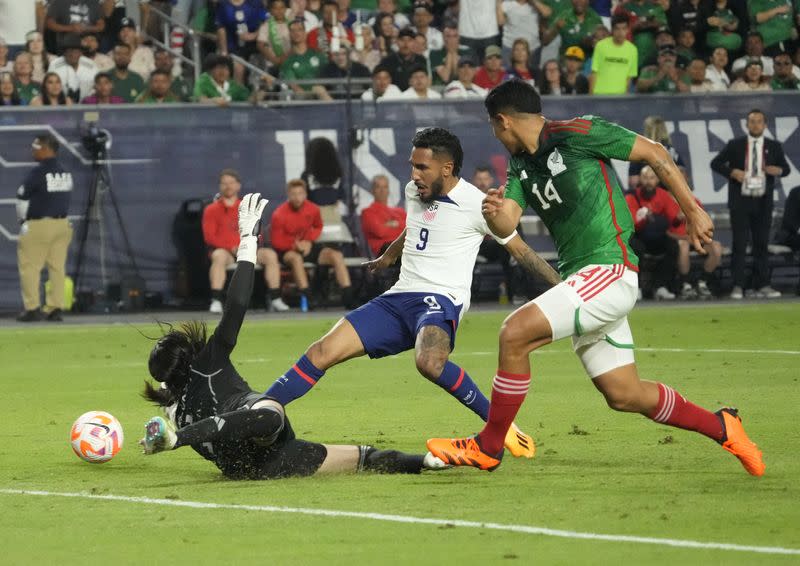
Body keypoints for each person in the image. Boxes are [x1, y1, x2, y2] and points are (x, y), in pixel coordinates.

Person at [427, 80, 766, 478]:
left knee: (513, 333)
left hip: (609, 270)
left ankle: (488, 446)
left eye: (494, 128)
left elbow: (654, 153)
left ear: (503, 121)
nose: (496, 136)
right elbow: (508, 223)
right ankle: (723, 426)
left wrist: (692, 211)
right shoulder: (521, 165)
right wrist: (492, 211)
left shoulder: (578, 132)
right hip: (585, 282)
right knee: (624, 393)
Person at [262, 128, 562, 460]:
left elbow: (520, 251)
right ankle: (261, 409)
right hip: (398, 298)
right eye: (412, 166)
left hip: (441, 299)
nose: (413, 175)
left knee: (429, 362)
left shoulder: (478, 205)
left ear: (446, 169)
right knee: (322, 351)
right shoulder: (414, 191)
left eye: (422, 168)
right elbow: (416, 226)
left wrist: (565, 289)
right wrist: (389, 255)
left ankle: (498, 426)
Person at [139, 194, 448, 478]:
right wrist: (248, 240)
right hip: (267, 443)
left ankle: (425, 461)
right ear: (188, 357)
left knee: (364, 458)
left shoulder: (175, 410)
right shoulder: (205, 363)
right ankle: (179, 441)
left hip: (257, 466)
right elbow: (236, 307)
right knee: (270, 414)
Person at [710, 109, 790, 300]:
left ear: (765, 125)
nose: (755, 125)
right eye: (752, 121)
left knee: (761, 244)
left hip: (763, 202)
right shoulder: (736, 145)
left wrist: (777, 170)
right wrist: (732, 172)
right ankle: (738, 285)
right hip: (741, 202)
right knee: (739, 244)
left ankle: (762, 284)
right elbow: (716, 163)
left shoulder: (774, 146)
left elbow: (785, 169)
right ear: (747, 125)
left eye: (759, 121)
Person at [201, 169, 283, 313]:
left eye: (231, 183)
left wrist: (247, 247)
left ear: (238, 186)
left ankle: (275, 298)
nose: (228, 186)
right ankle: (216, 300)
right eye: (224, 183)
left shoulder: (247, 207)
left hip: (248, 250)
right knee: (218, 256)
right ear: (220, 186)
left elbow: (257, 233)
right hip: (226, 253)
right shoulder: (211, 209)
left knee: (270, 255)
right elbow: (209, 237)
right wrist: (231, 248)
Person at [268, 178, 356, 309]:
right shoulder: (278, 214)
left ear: (305, 194)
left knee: (336, 255)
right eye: (293, 194)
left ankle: (348, 296)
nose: (297, 197)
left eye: (300, 194)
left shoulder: (313, 209)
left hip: (309, 246)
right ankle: (308, 296)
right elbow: (277, 241)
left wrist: (308, 241)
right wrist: (295, 246)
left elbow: (318, 226)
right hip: (288, 251)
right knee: (295, 258)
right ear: (288, 195)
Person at [16, 134, 74, 323]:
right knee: (57, 268)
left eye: (37, 146)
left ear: (47, 148)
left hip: (40, 224)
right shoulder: (64, 171)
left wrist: (23, 221)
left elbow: (22, 194)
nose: (34, 150)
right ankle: (55, 308)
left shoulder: (39, 172)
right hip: (62, 224)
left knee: (30, 267)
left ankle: (32, 308)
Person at [626, 165, 681, 300]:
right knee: (634, 248)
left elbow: (673, 218)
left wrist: (679, 218)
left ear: (657, 180)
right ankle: (636, 288)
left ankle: (661, 287)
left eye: (652, 178)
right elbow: (632, 224)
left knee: (673, 246)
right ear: (640, 179)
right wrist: (644, 218)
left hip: (658, 238)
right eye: (645, 178)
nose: (648, 182)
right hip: (640, 236)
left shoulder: (663, 195)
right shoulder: (632, 197)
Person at [628, 115, 686, 192]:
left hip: (647, 198)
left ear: (647, 130)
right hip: (669, 197)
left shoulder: (640, 151)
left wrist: (647, 178)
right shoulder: (671, 151)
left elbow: (633, 182)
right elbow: (682, 179)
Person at [589, 15, 637, 94]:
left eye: (623, 28)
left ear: (628, 30)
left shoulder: (633, 50)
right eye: (617, 29)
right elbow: (594, 73)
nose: (620, 32)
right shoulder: (600, 46)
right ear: (612, 30)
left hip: (620, 97)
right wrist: (591, 96)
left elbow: (629, 77)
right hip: (600, 95)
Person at [361, 174, 406, 256]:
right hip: (384, 252)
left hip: (403, 247)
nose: (382, 191)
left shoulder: (399, 211)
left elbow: (411, 228)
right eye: (378, 187)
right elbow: (380, 232)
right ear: (372, 190)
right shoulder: (368, 212)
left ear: (388, 190)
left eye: (385, 187)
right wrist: (401, 227)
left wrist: (395, 224)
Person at [279, 19, 325, 99]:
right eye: (292, 31)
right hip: (302, 100)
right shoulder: (287, 61)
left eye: (299, 30)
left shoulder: (318, 55)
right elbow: (294, 87)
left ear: (305, 33)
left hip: (323, 96)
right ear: (289, 35)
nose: (296, 33)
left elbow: (328, 76)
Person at [47, 38, 98, 102]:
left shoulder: (91, 65)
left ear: (81, 53)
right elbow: (48, 88)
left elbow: (97, 86)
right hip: (61, 104)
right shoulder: (55, 65)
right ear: (64, 53)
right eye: (69, 51)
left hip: (88, 104)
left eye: (76, 52)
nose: (72, 54)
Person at [498, 0, 542, 65]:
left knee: (532, 74)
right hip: (510, 46)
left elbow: (547, 13)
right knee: (508, 73)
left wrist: (534, 2)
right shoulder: (506, 4)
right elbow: (500, 22)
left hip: (532, 47)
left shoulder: (536, 3)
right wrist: (498, 4)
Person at [302, 137, 343, 206]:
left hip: (314, 212)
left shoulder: (306, 176)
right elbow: (340, 195)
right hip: (331, 212)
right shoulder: (338, 174)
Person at [257, 0, 292, 72]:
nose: (279, 11)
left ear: (286, 9)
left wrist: (285, 58)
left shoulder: (292, 24)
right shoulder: (266, 26)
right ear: (271, 11)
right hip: (272, 63)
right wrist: (274, 59)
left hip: (290, 61)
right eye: (276, 8)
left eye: (282, 8)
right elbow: (260, 45)